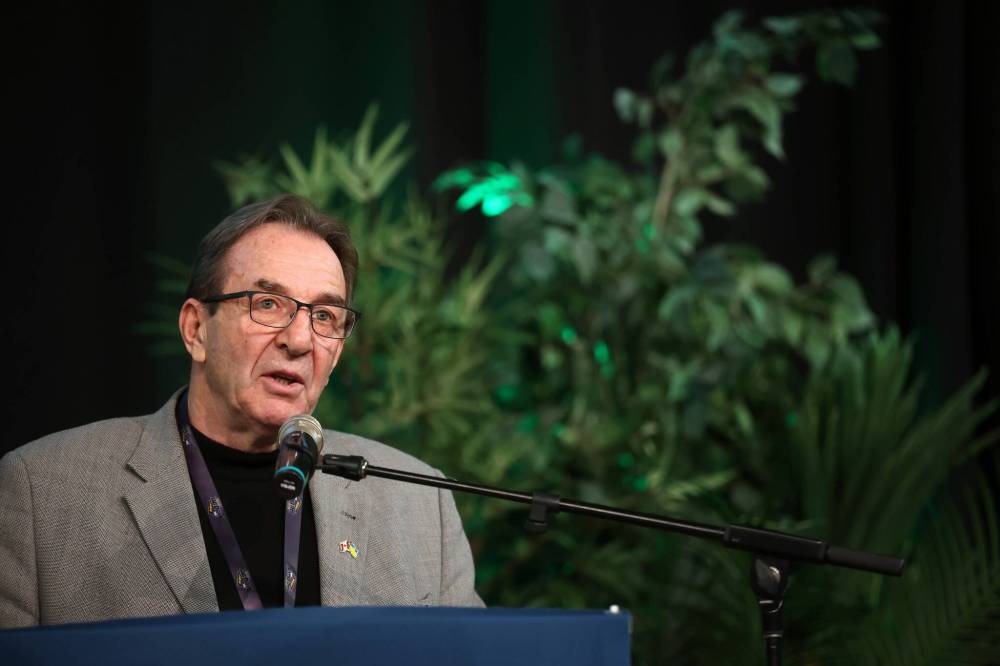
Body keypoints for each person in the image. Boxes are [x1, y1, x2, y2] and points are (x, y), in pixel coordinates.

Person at [0, 194, 482, 628]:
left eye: (324, 317)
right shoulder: (41, 492)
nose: (298, 340)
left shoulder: (420, 505)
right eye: (268, 303)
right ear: (195, 329)